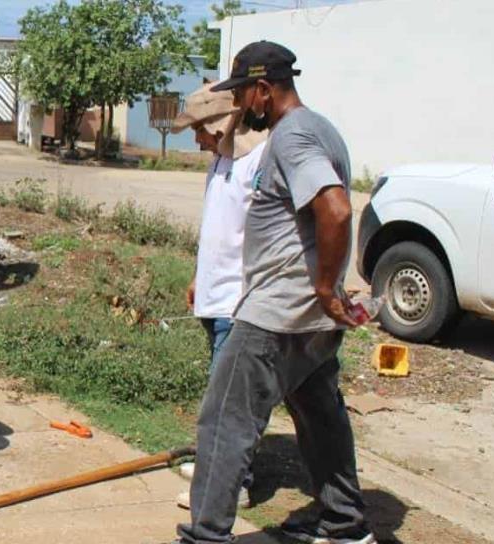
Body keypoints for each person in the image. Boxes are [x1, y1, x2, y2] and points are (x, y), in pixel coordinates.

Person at [173, 41, 375, 544]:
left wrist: (327, 289)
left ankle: (206, 534)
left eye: (244, 95)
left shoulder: (294, 135)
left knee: (224, 421)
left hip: (278, 313)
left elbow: (335, 209)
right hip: (304, 316)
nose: (242, 107)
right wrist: (324, 297)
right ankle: (345, 523)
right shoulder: (323, 129)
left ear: (264, 89)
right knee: (319, 416)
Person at [169, 82, 267, 511]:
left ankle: (233, 486)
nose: (196, 139)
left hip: (239, 300)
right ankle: (214, 467)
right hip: (214, 294)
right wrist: (198, 276)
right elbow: (218, 228)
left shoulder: (256, 162)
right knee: (218, 394)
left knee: (231, 402)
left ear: (219, 123)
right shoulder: (218, 163)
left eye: (200, 130)